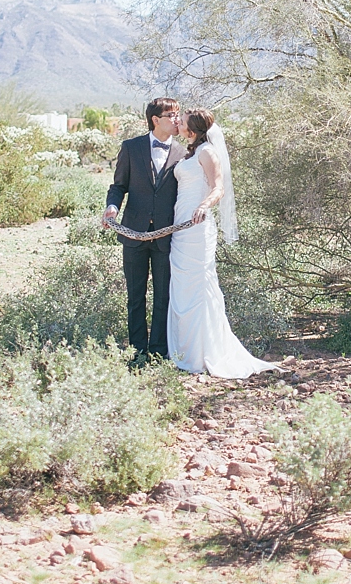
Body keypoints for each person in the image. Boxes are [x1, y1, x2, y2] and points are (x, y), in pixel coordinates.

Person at [167, 108, 278, 380]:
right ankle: (182, 351)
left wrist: (204, 205)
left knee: (200, 286)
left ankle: (204, 352)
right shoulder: (190, 153)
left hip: (197, 226)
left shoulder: (207, 152)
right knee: (181, 287)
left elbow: (219, 187)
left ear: (192, 129)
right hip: (180, 229)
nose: (178, 124)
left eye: (181, 122)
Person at [103, 98, 185, 361]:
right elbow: (118, 186)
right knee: (135, 297)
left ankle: (159, 352)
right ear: (155, 120)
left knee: (163, 297)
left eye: (178, 115)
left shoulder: (183, 154)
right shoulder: (131, 148)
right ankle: (137, 353)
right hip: (133, 234)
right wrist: (112, 208)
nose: (176, 119)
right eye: (171, 115)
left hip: (167, 236)